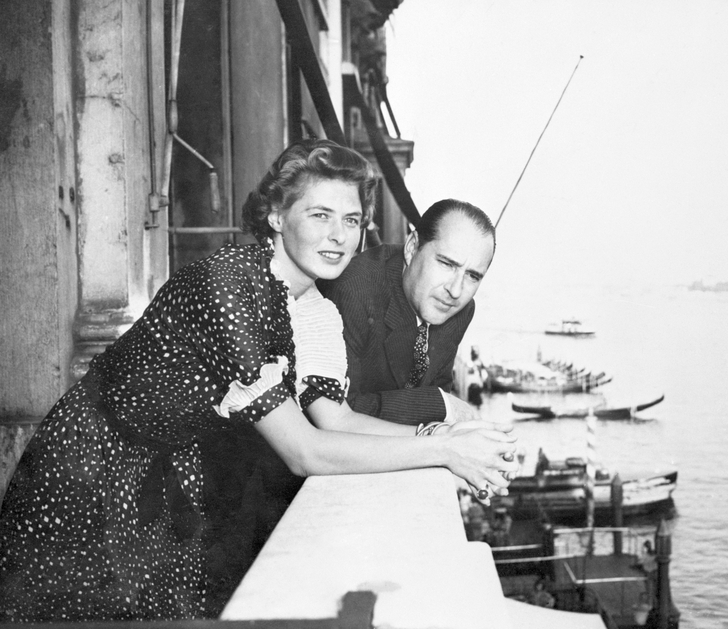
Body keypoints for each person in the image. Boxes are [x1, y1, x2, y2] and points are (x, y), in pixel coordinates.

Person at [0, 139, 518, 622]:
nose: (339, 236)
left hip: (167, 487)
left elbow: (336, 418)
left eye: (353, 220)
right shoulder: (230, 285)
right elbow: (305, 451)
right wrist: (445, 452)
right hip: (91, 474)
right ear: (276, 215)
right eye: (320, 215)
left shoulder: (313, 309)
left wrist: (444, 437)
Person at [319, 198, 496, 426]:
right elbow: (340, 412)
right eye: (446, 264)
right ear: (412, 248)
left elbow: (438, 387)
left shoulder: (460, 309)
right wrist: (440, 404)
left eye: (472, 276)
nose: (455, 290)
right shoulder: (355, 290)